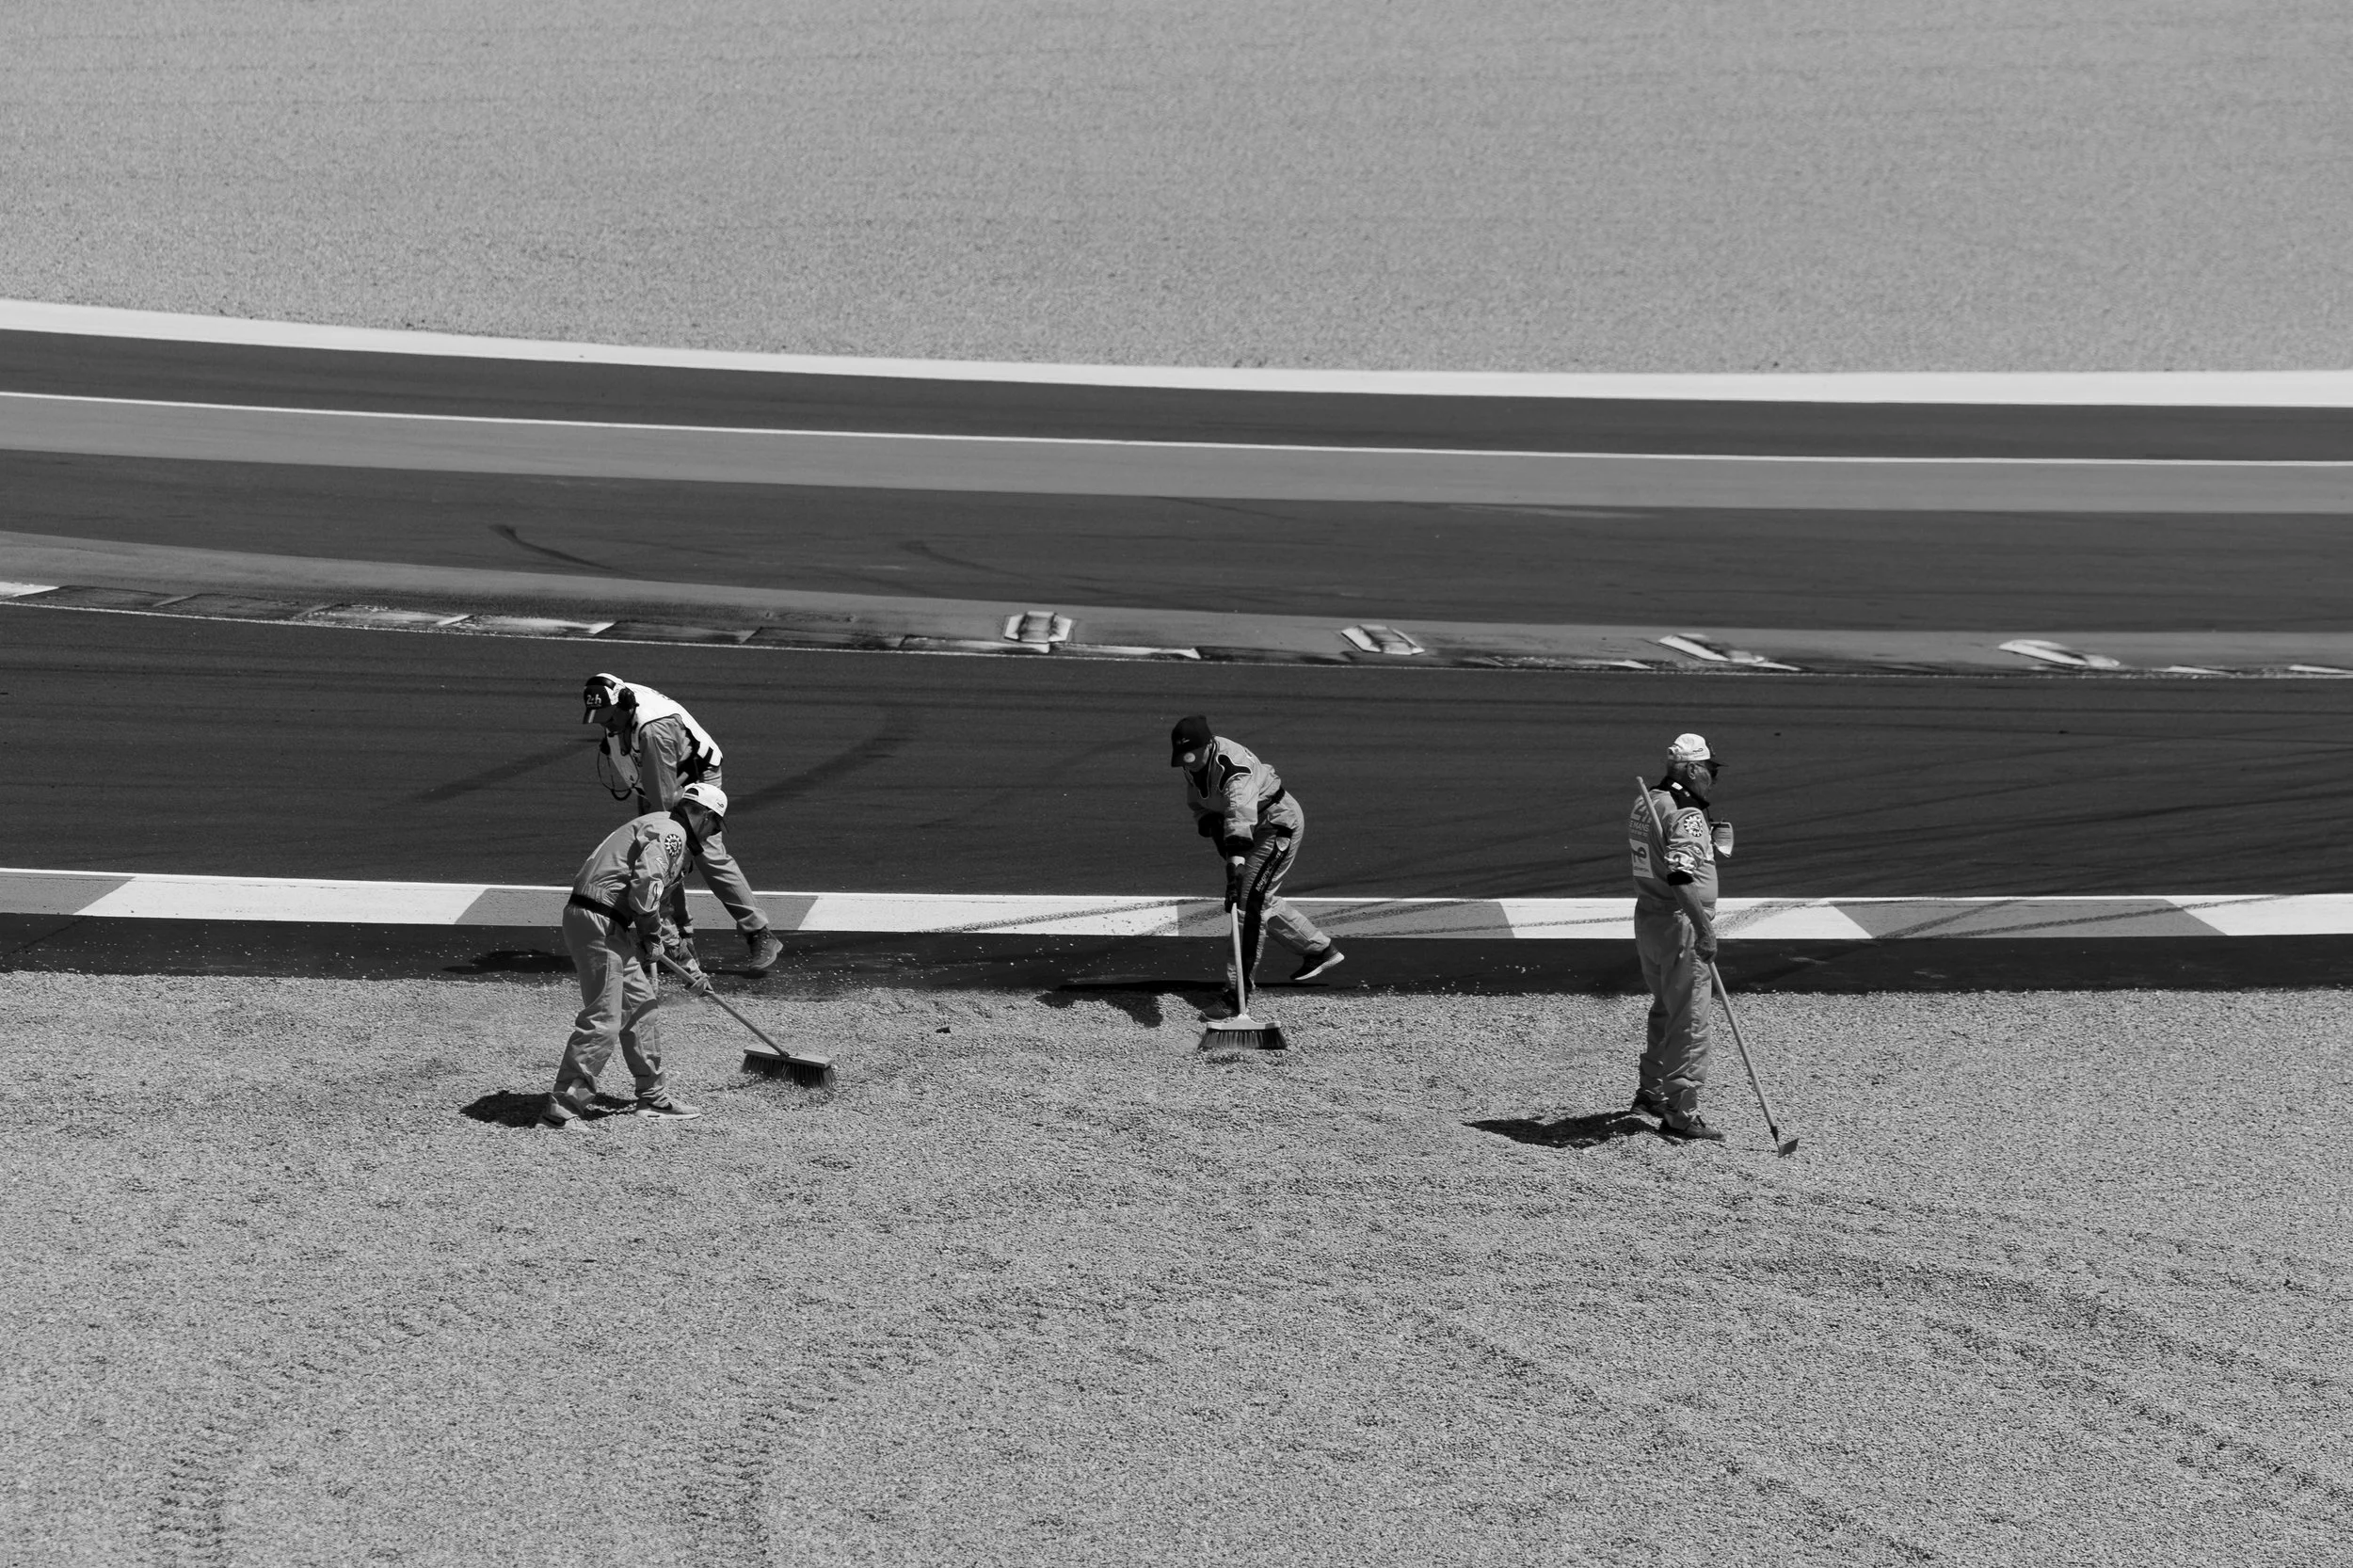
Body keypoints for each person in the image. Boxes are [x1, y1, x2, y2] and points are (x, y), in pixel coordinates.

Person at [542, 781, 728, 1127]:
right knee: (604, 1020)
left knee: (641, 1007)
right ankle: (561, 1111)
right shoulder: (672, 835)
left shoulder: (658, 824)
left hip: (604, 921)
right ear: (704, 816)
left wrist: (689, 968)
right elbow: (646, 892)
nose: (713, 835)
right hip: (600, 921)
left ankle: (653, 1098)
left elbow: (658, 908)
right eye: (715, 826)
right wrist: (649, 934)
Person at [582, 673, 785, 973]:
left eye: (610, 718)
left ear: (623, 705)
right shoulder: (618, 703)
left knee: (697, 854)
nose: (606, 725)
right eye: (601, 719)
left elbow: (663, 808)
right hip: (657, 780)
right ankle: (679, 941)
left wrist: (666, 839)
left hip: (694, 782)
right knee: (660, 856)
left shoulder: (655, 732)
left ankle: (759, 932)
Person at [1170, 714, 1343, 1004]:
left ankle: (1237, 993)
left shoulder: (1234, 770)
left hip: (1276, 825)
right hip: (1250, 827)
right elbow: (1200, 801)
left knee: (1247, 905)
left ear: (1209, 745)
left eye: (1192, 757)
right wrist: (1210, 825)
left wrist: (1234, 867)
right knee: (1257, 898)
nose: (1189, 764)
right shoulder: (1194, 762)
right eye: (1184, 759)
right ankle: (1319, 950)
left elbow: (1240, 816)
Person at [1628, 732, 1737, 1142]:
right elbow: (1680, 875)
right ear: (1692, 770)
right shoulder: (1685, 812)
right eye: (1709, 771)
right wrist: (1705, 931)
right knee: (1690, 1019)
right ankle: (1681, 1113)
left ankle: (1652, 1092)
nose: (1713, 779)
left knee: (1666, 1008)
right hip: (1681, 923)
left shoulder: (1649, 801)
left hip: (1650, 917)